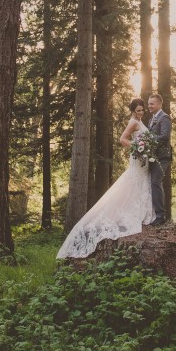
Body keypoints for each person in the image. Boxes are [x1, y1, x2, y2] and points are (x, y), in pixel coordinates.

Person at [56, 97, 155, 259]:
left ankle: (144, 212)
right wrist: (137, 147)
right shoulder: (133, 122)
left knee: (142, 182)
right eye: (138, 110)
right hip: (138, 157)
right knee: (133, 181)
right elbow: (122, 139)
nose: (141, 112)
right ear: (133, 111)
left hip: (144, 159)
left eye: (142, 109)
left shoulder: (141, 122)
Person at [146, 93, 171, 225]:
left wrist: (148, 140)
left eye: (152, 103)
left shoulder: (164, 118)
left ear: (159, 104)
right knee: (152, 183)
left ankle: (161, 215)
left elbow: (165, 137)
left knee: (156, 182)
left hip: (162, 157)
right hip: (152, 156)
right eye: (149, 103)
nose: (149, 106)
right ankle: (155, 214)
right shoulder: (152, 119)